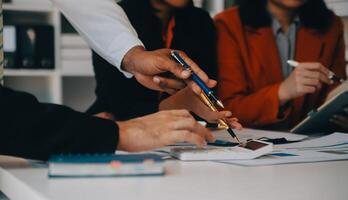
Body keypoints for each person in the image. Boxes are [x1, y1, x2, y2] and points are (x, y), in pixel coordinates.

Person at [0, 0, 229, 161]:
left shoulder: (199, 22)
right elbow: (115, 102)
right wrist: (118, 134)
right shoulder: (129, 11)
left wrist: (132, 55)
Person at [215, 0, 347, 131]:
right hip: (251, 140)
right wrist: (282, 92)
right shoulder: (228, 24)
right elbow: (227, 109)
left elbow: (336, 89)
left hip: (316, 140)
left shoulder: (331, 25)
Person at [88, 0, 218, 121]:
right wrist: (169, 106)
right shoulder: (114, 18)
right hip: (117, 121)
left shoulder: (200, 21)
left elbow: (207, 88)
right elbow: (117, 100)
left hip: (184, 124)